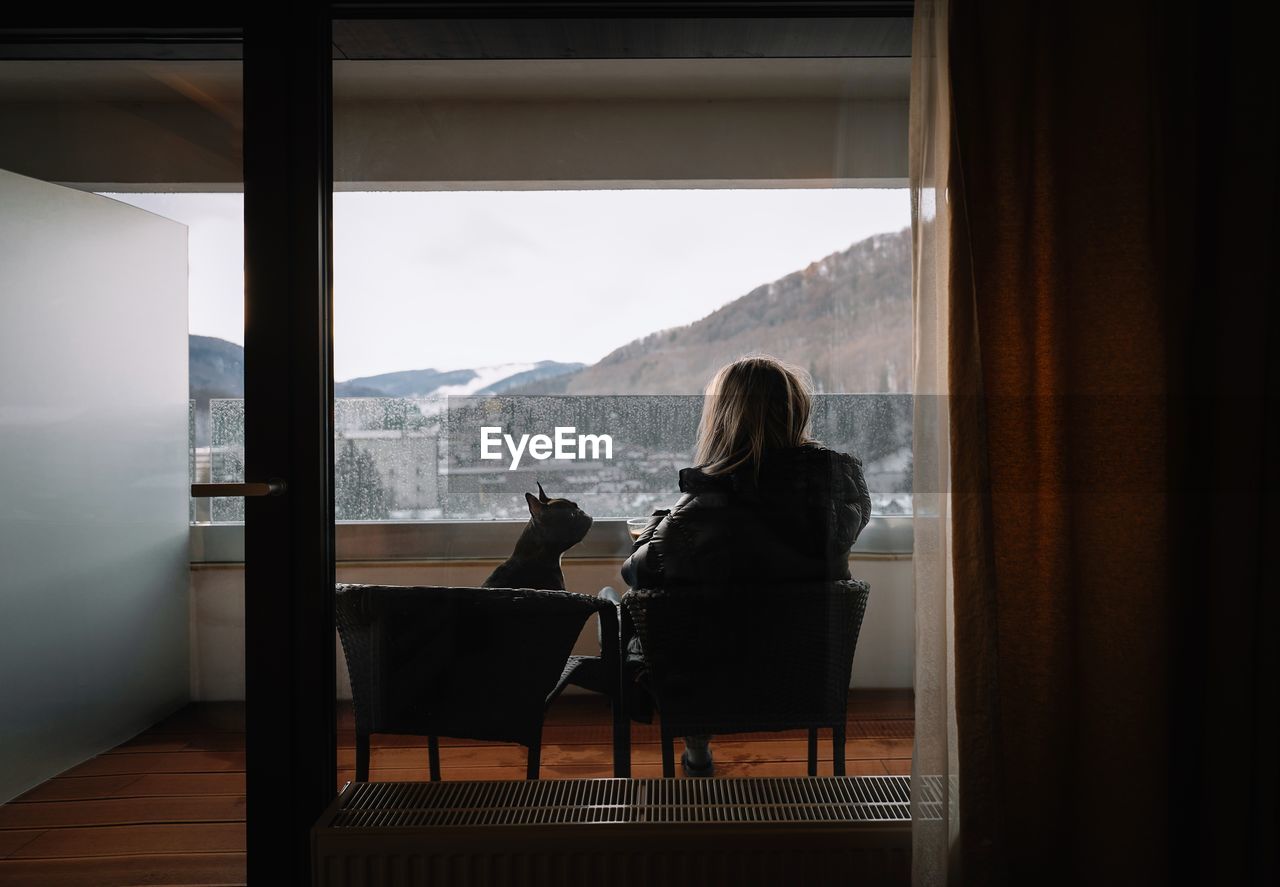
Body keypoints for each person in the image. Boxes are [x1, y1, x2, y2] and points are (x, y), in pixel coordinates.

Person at [607, 355, 872, 776]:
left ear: (722, 420)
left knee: (638, 605)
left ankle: (696, 747)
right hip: (805, 676)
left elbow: (638, 572)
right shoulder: (836, 495)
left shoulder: (704, 504)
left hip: (717, 680)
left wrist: (661, 523)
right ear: (796, 413)